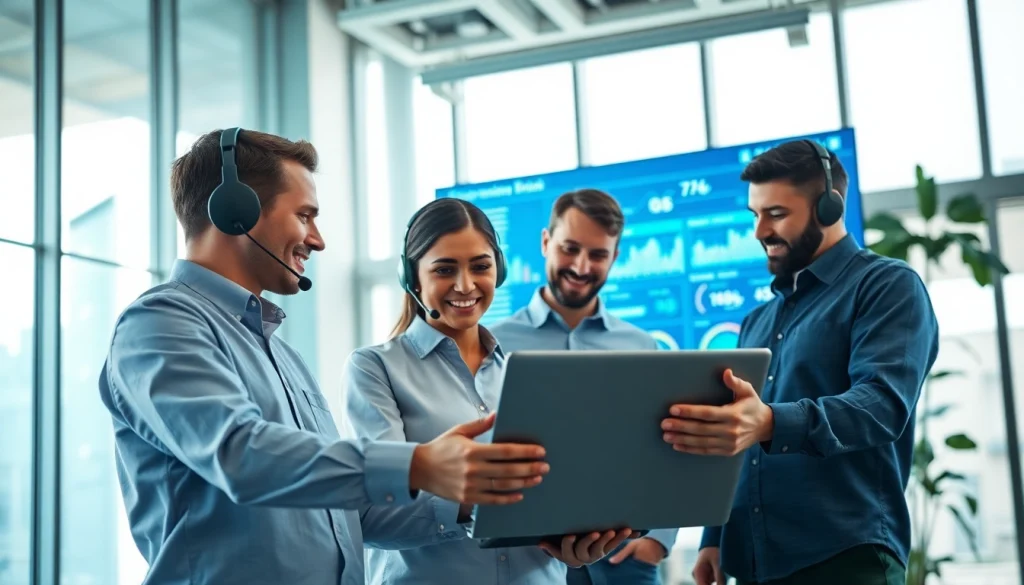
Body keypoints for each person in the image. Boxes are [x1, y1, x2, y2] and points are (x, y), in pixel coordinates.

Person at [97, 128, 550, 585]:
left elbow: (359, 517)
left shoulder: (283, 356)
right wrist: (419, 465)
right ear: (237, 212)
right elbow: (239, 453)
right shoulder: (159, 322)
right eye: (304, 216)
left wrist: (477, 501)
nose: (317, 240)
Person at [661, 140, 939, 585]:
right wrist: (715, 535)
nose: (759, 231)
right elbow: (738, 437)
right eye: (755, 215)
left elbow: (882, 404)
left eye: (776, 214)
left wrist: (771, 422)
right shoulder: (756, 321)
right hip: (752, 562)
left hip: (846, 558)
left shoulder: (886, 286)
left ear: (830, 208)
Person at [345, 197, 634, 585]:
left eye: (480, 266)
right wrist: (474, 501)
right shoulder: (375, 368)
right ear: (412, 277)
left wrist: (572, 545)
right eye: (445, 269)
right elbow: (370, 517)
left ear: (498, 271)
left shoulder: (528, 373)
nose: (465, 285)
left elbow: (557, 494)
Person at [488, 188, 679, 585]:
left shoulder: (640, 346)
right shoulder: (493, 343)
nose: (581, 266)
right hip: (528, 556)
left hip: (624, 559)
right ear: (545, 242)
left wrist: (658, 540)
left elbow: (665, 450)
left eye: (597, 254)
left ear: (615, 257)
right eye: (570, 248)